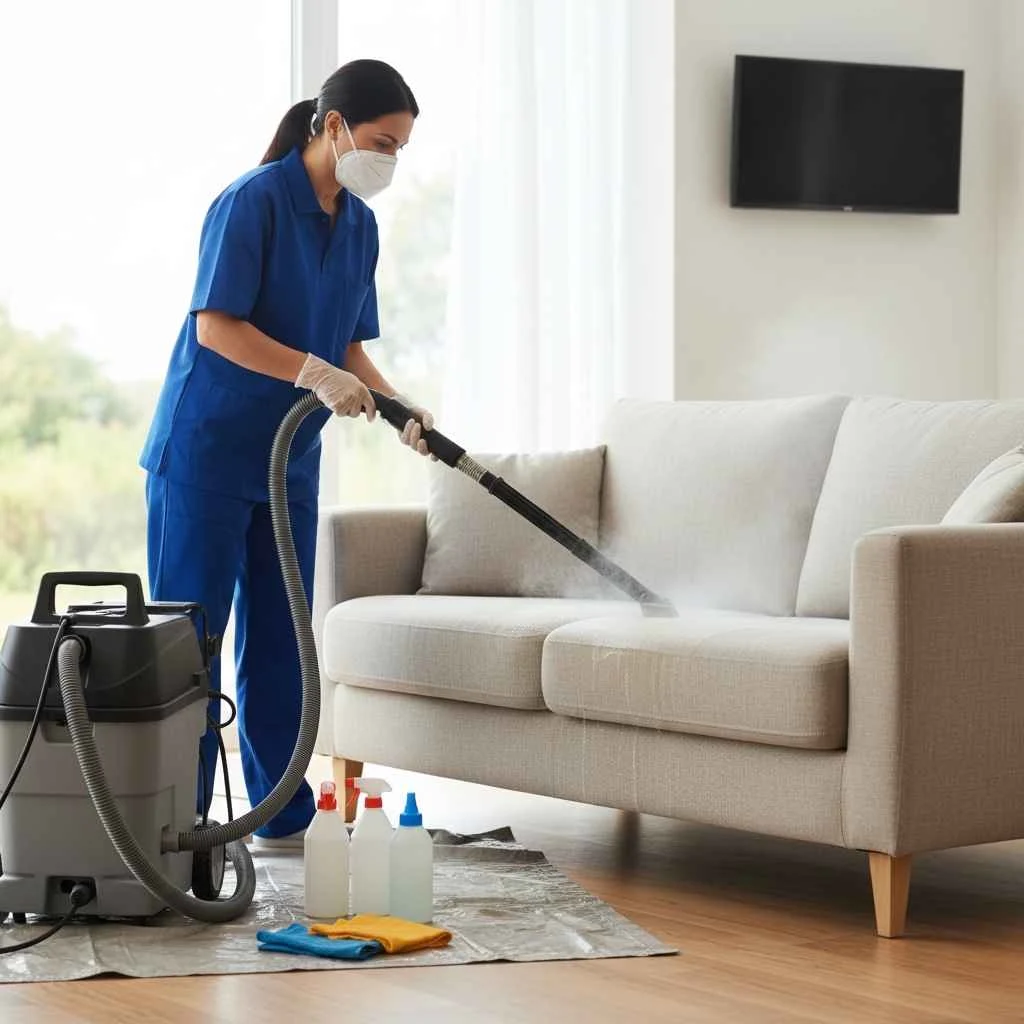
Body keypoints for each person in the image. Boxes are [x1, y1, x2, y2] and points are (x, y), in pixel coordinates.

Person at [139, 59, 433, 845]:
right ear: (333, 126)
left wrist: (398, 404)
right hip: (205, 455)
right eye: (382, 142)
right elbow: (217, 326)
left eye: (402, 148)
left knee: (280, 641)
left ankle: (280, 814)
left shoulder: (360, 227)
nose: (390, 161)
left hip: (288, 462)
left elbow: (347, 344)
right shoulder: (251, 203)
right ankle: (179, 818)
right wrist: (311, 372)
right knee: (189, 645)